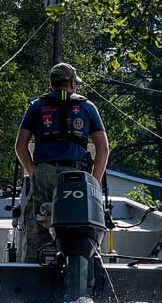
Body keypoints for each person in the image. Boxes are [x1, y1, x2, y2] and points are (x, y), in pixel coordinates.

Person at [15, 62, 109, 263]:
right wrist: (95, 182)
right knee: (82, 222)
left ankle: (35, 269)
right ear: (73, 84)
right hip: (77, 177)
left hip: (44, 173)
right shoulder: (88, 107)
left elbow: (20, 146)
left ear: (52, 84)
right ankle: (85, 265)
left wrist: (33, 172)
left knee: (37, 223)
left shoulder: (36, 107)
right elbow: (103, 149)